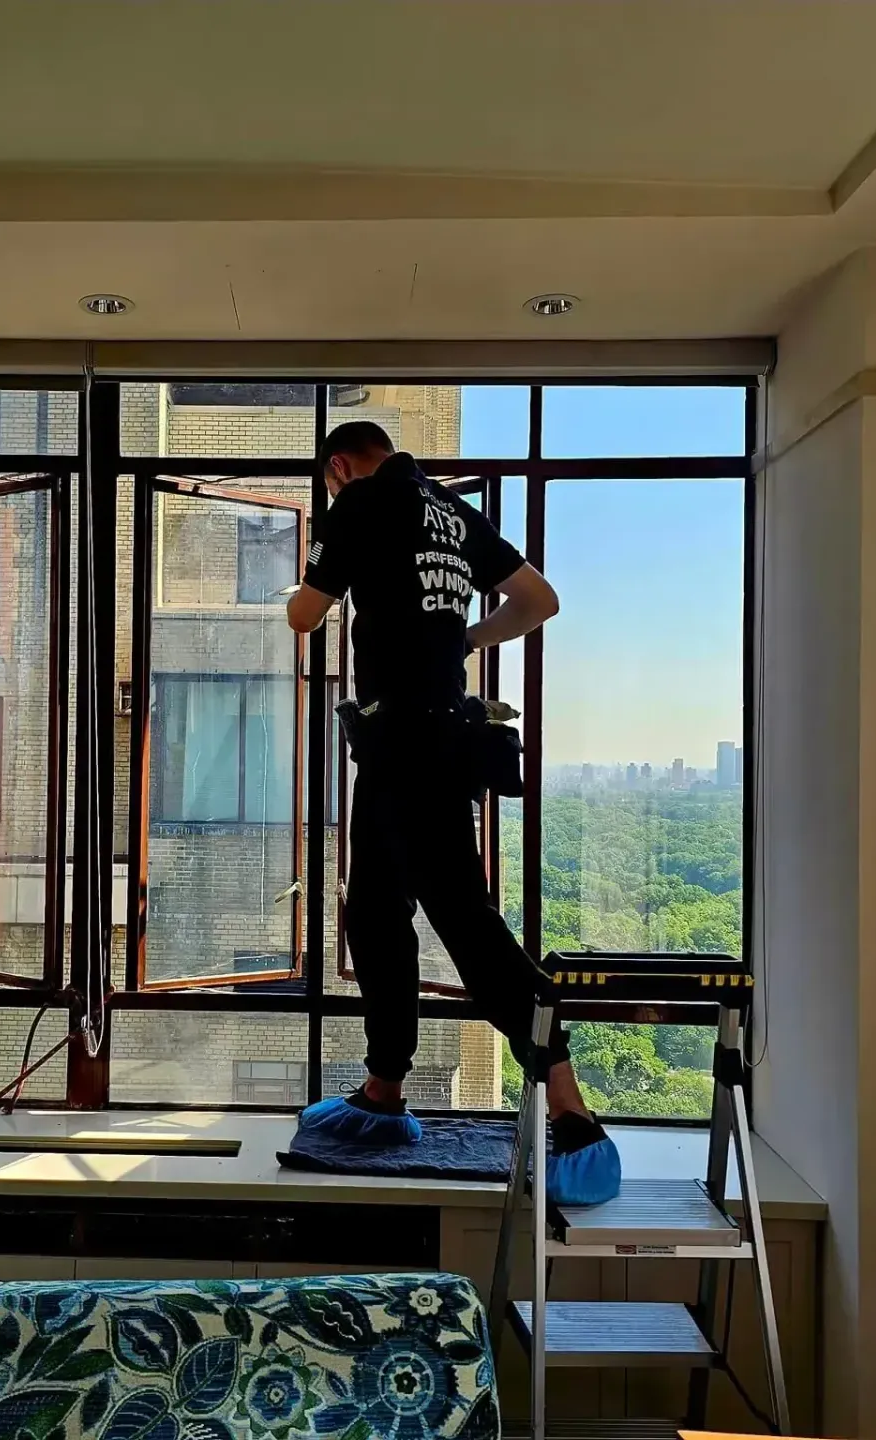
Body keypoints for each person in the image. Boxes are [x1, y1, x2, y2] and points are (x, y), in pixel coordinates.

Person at [285, 421, 621, 1206]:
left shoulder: (360, 504)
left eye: (333, 483)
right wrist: (464, 636)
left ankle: (569, 1109)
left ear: (338, 468)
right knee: (375, 912)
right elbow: (538, 600)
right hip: (444, 737)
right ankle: (383, 1088)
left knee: (462, 924)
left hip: (401, 744)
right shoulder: (450, 510)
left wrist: (311, 580)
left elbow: (306, 615)